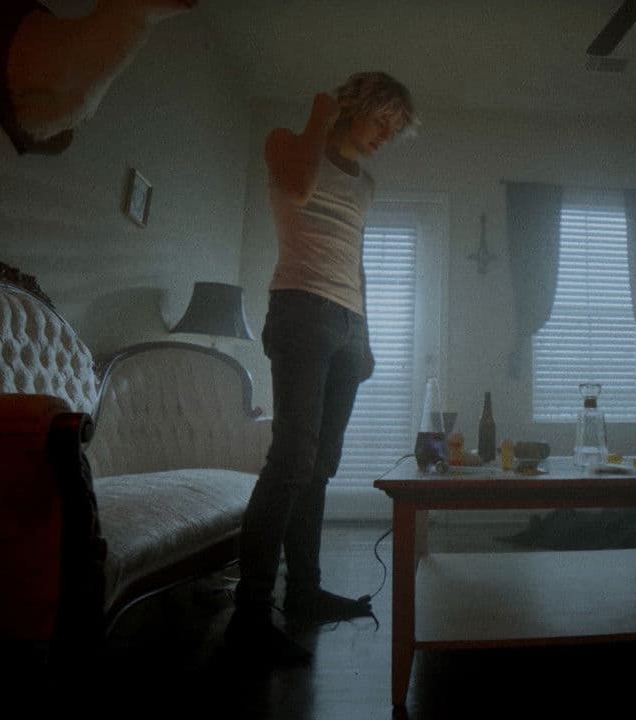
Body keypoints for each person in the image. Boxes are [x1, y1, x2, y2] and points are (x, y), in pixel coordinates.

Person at [225, 72, 416, 662]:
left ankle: (304, 593)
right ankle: (250, 616)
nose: (386, 137)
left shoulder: (367, 184)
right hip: (301, 312)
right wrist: (318, 117)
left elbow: (355, 261)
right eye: (382, 122)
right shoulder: (286, 142)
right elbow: (301, 187)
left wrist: (367, 336)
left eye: (395, 131)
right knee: (291, 461)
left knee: (320, 467)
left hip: (347, 325)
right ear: (354, 107)